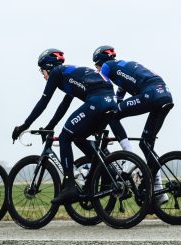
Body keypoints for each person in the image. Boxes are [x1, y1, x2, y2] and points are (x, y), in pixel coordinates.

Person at [12, 49, 117, 205]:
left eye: (42, 71)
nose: (43, 75)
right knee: (78, 137)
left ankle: (69, 186)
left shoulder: (56, 72)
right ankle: (107, 174)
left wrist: (24, 125)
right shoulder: (70, 73)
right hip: (111, 102)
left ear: (48, 66)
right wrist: (49, 126)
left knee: (65, 136)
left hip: (97, 101)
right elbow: (64, 106)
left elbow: (43, 102)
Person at [93, 45, 173, 203]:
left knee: (112, 116)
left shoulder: (107, 66)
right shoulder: (123, 67)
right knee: (146, 143)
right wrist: (116, 104)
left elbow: (102, 87)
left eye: (96, 68)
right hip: (165, 95)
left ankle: (130, 156)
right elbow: (119, 98)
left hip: (150, 94)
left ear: (100, 63)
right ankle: (158, 190)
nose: (97, 71)